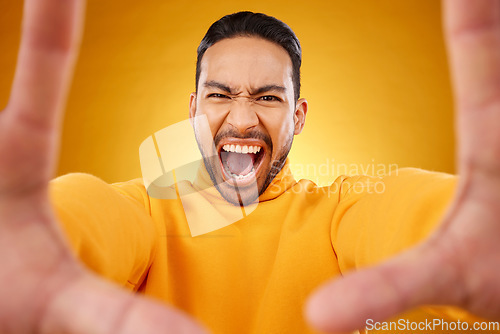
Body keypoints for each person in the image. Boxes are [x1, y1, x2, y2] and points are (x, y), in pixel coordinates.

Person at [2, 0, 500, 333]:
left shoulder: (339, 213)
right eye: (220, 96)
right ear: (193, 109)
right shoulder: (144, 211)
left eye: (267, 97)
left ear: (298, 116)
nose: (242, 121)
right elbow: (84, 215)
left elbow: (404, 212)